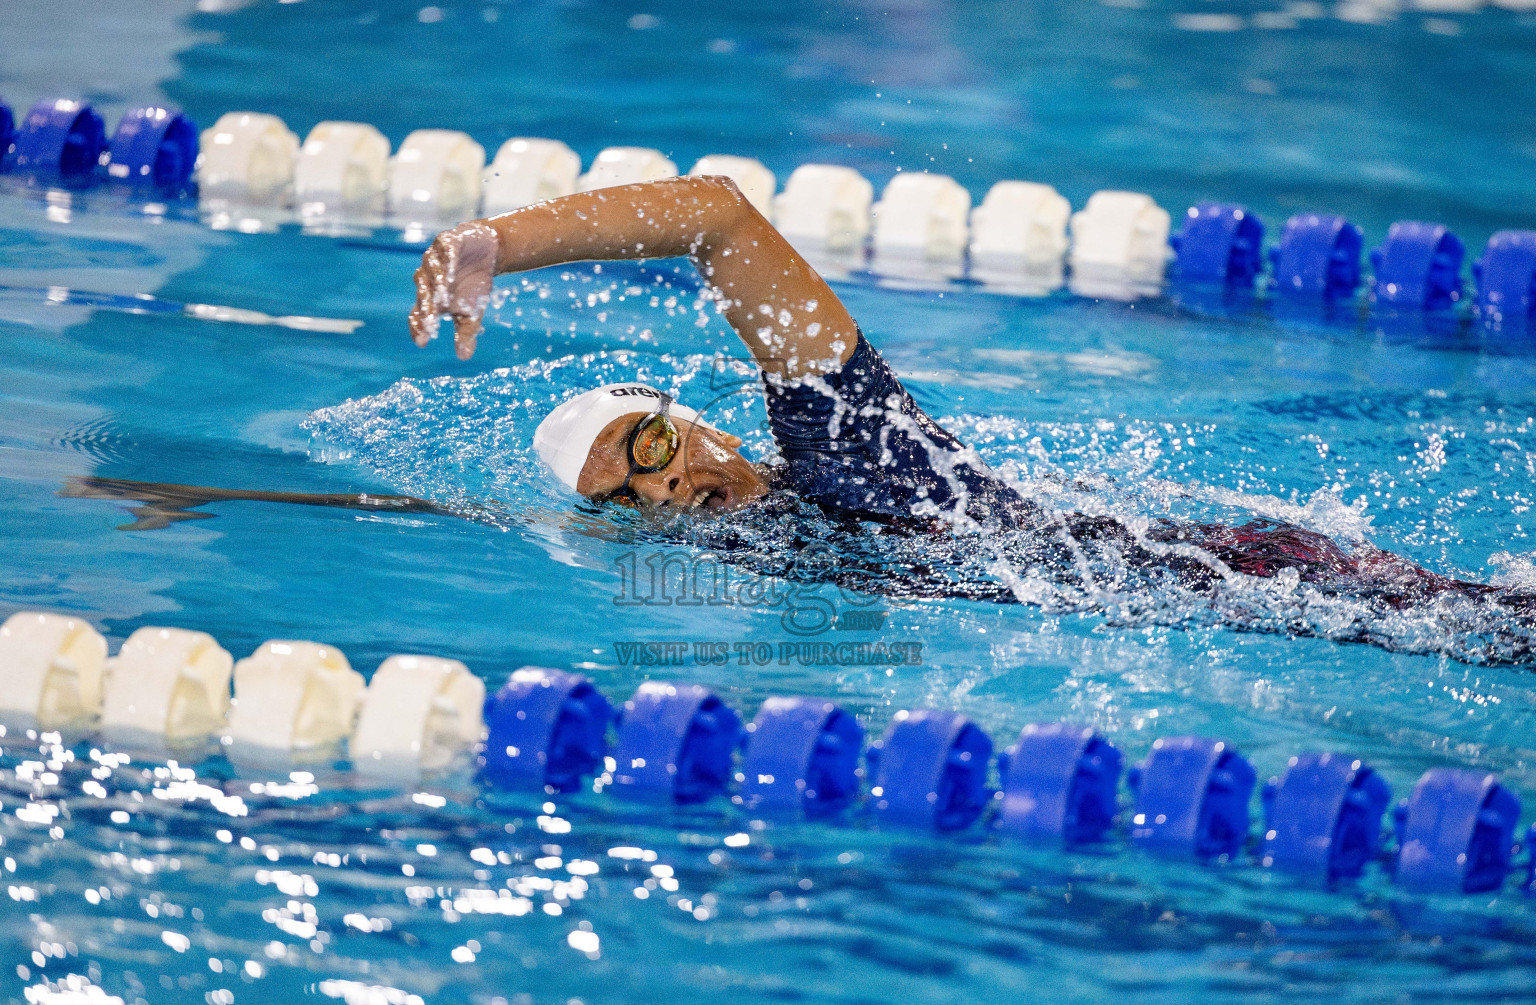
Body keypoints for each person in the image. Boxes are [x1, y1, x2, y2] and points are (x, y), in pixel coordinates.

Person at [406, 175, 1531, 621]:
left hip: (1271, 580)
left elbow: (718, 217)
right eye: (628, 491)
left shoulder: (846, 451)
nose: (666, 481)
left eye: (648, 439)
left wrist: (497, 240)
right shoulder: (741, 555)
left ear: (693, 415)